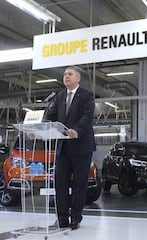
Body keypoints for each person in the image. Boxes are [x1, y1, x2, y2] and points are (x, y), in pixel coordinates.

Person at [47, 66, 96, 230]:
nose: (66, 76)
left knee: (79, 185)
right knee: (60, 184)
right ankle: (62, 218)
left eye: (70, 74)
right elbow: (51, 116)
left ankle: (76, 217)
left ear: (78, 78)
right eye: (65, 74)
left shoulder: (87, 95)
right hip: (63, 147)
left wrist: (77, 130)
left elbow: (87, 117)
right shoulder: (59, 96)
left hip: (81, 147)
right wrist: (39, 130)